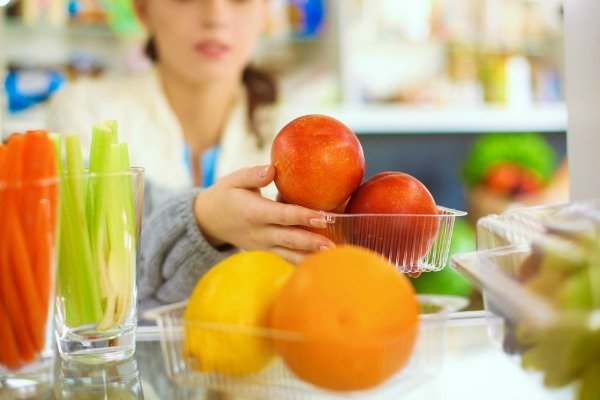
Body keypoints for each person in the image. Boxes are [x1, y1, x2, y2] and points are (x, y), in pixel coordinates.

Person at [47, 0, 335, 314]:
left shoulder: (304, 133)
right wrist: (203, 221)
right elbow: (92, 292)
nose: (216, 16)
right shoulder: (86, 112)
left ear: (265, 11)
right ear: (143, 10)